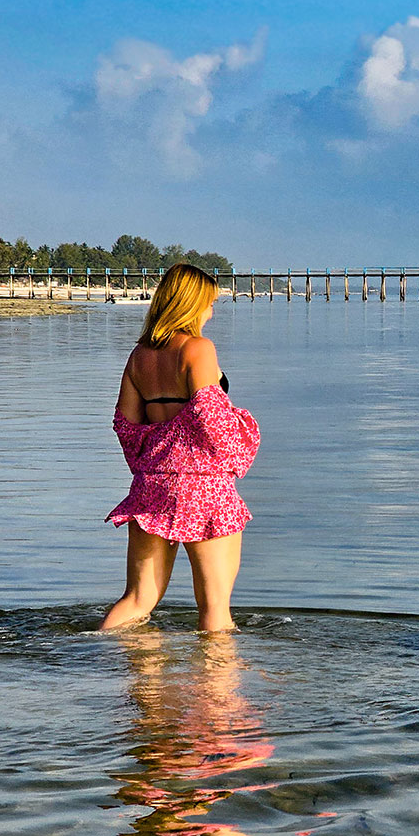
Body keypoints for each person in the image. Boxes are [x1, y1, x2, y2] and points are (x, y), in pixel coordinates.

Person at [101, 264, 260, 632]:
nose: (212, 312)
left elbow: (125, 424)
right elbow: (211, 419)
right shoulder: (198, 349)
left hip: (152, 486)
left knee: (137, 599)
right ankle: (220, 689)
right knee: (214, 610)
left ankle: (98, 654)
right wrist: (241, 449)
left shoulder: (139, 356)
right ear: (190, 304)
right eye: (208, 303)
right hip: (204, 488)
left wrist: (151, 466)